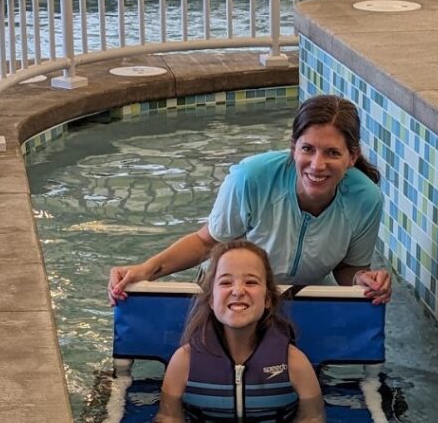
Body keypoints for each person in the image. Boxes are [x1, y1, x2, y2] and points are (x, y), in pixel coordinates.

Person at [108, 95, 391, 306]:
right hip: (231, 295)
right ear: (293, 149)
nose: (317, 165)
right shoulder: (251, 178)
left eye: (332, 152)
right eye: (308, 149)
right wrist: (146, 270)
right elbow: (208, 242)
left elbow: (348, 267)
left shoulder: (366, 199)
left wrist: (361, 281)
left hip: (300, 300)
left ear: (352, 157)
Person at [146, 239, 325, 423]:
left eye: (251, 282)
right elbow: (169, 418)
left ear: (268, 299)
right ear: (211, 298)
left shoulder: (293, 362)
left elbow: (311, 417)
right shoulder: (185, 361)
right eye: (225, 282)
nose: (238, 290)